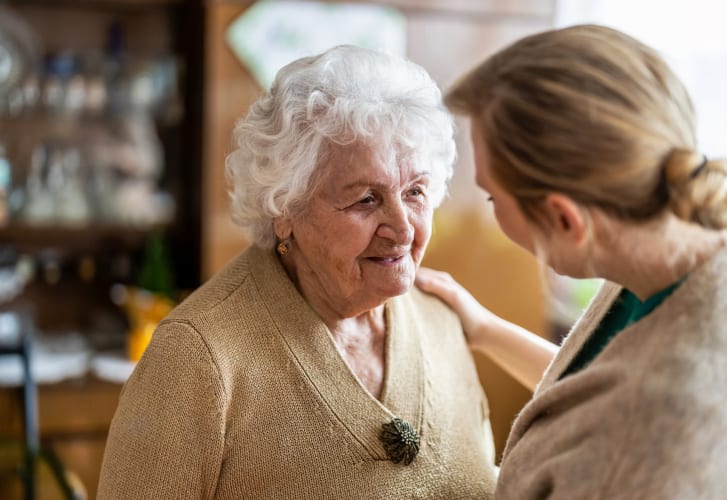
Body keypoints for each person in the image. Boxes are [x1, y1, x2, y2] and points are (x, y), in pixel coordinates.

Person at [416, 24, 727, 499]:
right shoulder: (723, 241)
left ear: (564, 219)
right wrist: (485, 329)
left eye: (493, 198)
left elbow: (622, 418)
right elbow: (595, 392)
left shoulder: (649, 445)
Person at [97, 45, 497, 499]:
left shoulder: (442, 322)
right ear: (285, 208)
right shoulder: (197, 358)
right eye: (366, 198)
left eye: (416, 192)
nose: (402, 228)